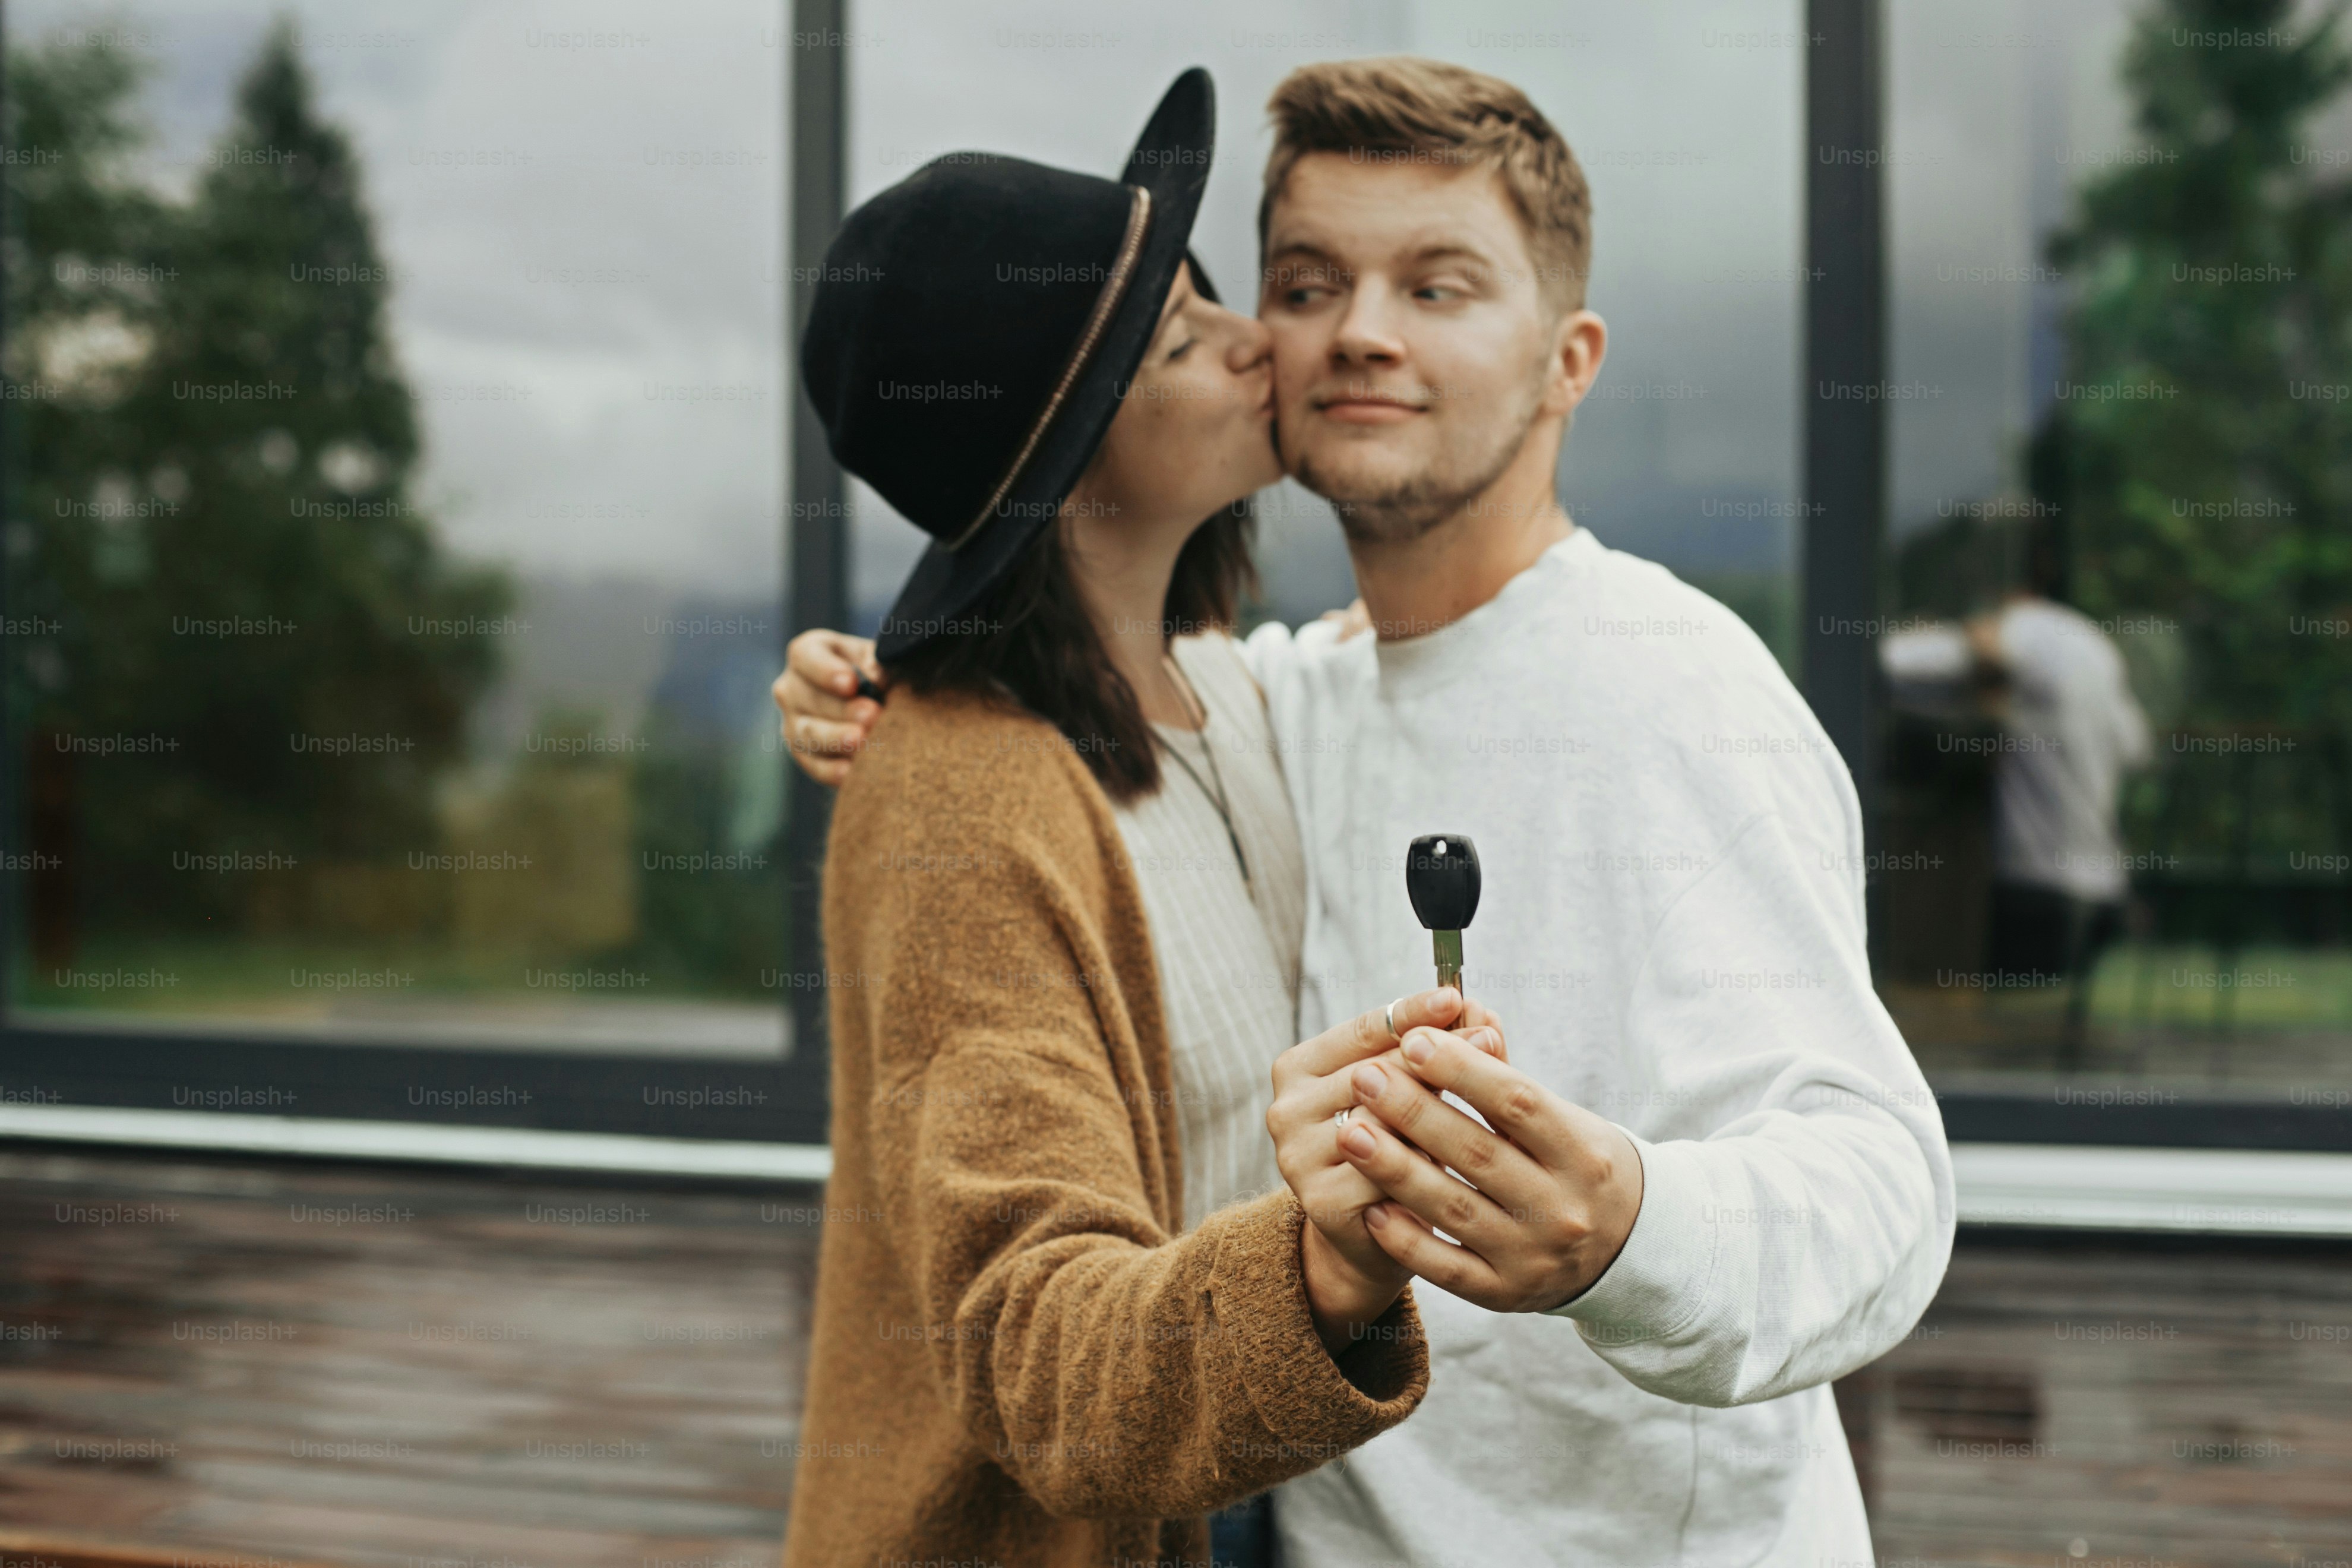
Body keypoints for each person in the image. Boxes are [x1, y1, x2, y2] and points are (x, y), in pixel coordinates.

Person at [780, 56, 1955, 1568]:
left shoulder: (1681, 701)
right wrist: (891, 690)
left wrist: (1630, 1224)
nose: (1355, 335)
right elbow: (1045, 721)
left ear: (1567, 359)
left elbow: (1877, 1184)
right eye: (1306, 280)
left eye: (1440, 285)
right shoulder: (1276, 703)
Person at [774, 68, 1516, 1568]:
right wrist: (1321, 1268)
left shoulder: (1226, 689)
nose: (1264, 341)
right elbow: (1035, 1342)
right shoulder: (960, 802)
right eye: (1182, 338)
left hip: (1260, 1475)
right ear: (1062, 459)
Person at [1883, 521, 2153, 1056]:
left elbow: (1888, 660)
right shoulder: (2091, 644)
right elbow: (2137, 747)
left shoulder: (2016, 637)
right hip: (2102, 895)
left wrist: (1964, 645)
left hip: (2026, 895)